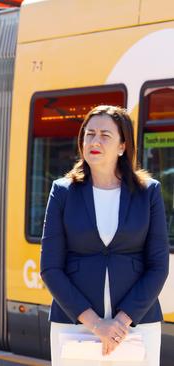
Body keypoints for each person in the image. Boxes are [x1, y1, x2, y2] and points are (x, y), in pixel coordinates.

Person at [40, 105, 169, 366]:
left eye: (105, 135)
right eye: (89, 134)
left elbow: (158, 266)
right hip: (76, 326)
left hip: (137, 326)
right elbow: (50, 268)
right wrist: (97, 324)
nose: (94, 141)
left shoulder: (148, 193)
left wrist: (120, 322)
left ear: (122, 146)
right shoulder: (62, 192)